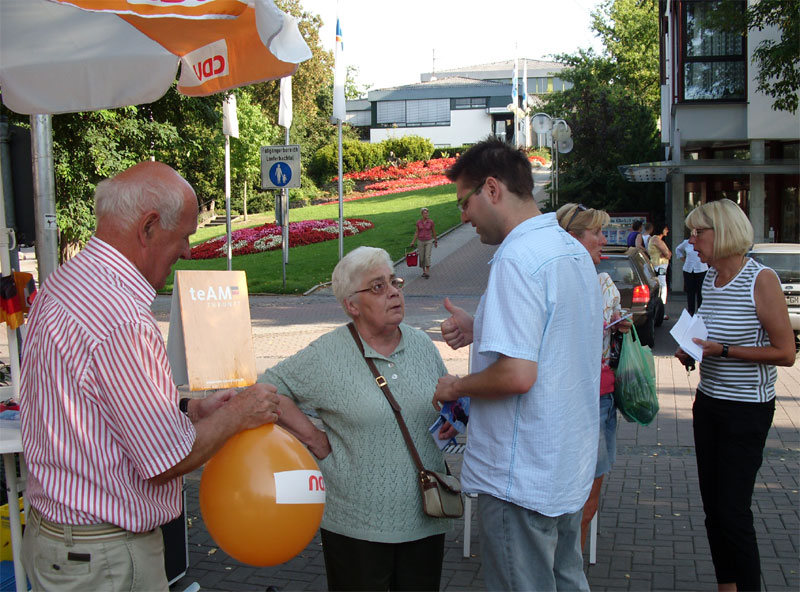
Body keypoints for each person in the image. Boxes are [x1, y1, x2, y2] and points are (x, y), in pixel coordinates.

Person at [19, 162, 281, 592]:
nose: (188, 251)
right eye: (184, 236)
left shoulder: (65, 281)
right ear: (149, 227)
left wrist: (190, 410)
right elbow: (165, 460)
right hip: (104, 558)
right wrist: (240, 415)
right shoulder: (120, 315)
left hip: (61, 540)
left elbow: (94, 408)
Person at [433, 139, 602, 591]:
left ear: (491, 189)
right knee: (568, 578)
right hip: (564, 468)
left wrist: (454, 387)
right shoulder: (570, 252)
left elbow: (517, 375)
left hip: (521, 478)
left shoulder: (515, 259)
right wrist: (482, 326)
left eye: (463, 202)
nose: (463, 216)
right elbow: (556, 341)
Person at [262, 246, 453, 591]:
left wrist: (450, 419)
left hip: (426, 519)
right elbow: (268, 389)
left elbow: (439, 410)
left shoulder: (423, 345)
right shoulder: (328, 354)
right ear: (352, 305)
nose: (394, 291)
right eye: (378, 287)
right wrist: (313, 438)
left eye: (394, 282)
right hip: (356, 525)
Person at [675, 199, 795, 592]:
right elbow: (708, 334)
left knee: (733, 511)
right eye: (691, 233)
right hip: (709, 402)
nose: (691, 242)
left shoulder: (761, 280)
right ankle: (727, 586)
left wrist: (724, 350)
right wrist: (691, 352)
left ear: (723, 233)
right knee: (714, 510)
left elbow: (786, 353)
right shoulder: (711, 279)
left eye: (698, 233)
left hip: (747, 410)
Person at [557, 203, 632, 551]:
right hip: (567, 403)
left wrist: (618, 328)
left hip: (601, 399)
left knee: (588, 505)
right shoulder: (552, 283)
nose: (604, 240)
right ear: (572, 238)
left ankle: (568, 573)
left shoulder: (603, 284)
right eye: (597, 233)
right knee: (565, 503)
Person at [676, 237, 709, 315]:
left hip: (701, 269)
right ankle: (691, 311)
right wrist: (683, 258)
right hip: (689, 269)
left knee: (700, 292)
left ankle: (700, 311)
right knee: (690, 291)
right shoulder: (686, 243)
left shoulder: (704, 242)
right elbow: (678, 249)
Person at [648, 223, 671, 318]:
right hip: (660, 265)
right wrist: (667, 253)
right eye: (666, 229)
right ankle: (661, 309)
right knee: (663, 286)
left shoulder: (653, 239)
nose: (667, 231)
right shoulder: (657, 239)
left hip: (656, 264)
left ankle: (659, 309)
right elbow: (668, 253)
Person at [410, 207, 438, 278]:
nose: (427, 214)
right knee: (422, 257)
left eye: (427, 213)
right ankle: (424, 271)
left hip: (429, 240)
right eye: (425, 213)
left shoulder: (431, 222)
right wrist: (412, 242)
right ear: (422, 214)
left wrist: (435, 240)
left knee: (427, 256)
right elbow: (416, 233)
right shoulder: (418, 222)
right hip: (420, 241)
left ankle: (427, 271)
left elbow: (434, 231)